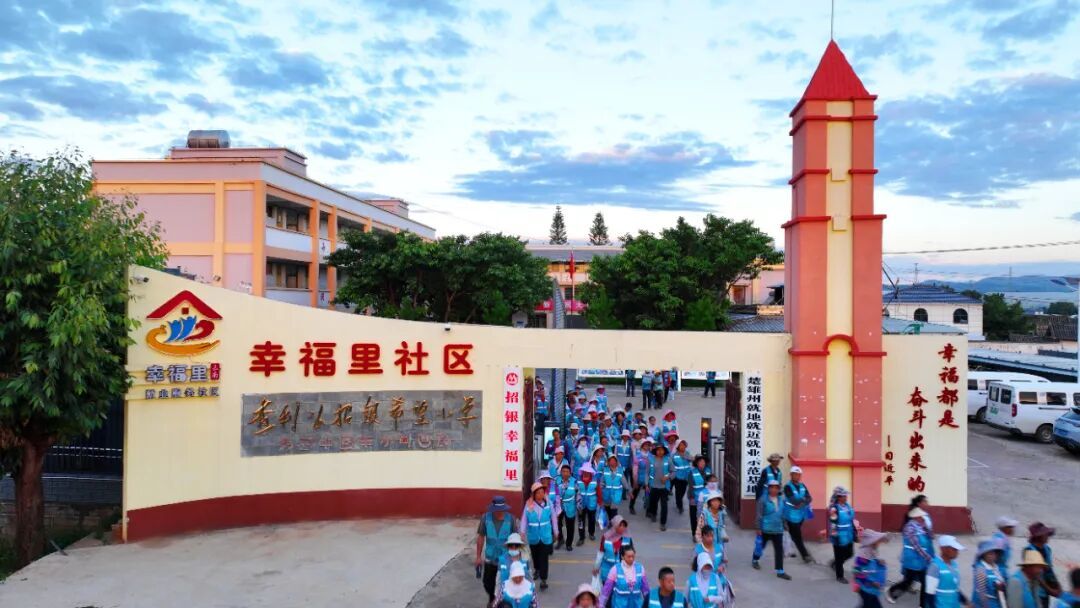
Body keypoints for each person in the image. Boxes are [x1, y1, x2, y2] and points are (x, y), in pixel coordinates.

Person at [887, 506, 936, 605]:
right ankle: (892, 591)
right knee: (908, 582)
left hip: (921, 560)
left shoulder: (921, 526)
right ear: (916, 517)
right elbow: (916, 546)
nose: (923, 518)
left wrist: (927, 529)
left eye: (923, 516)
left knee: (924, 582)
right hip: (912, 560)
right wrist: (929, 558)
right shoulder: (909, 528)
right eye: (921, 516)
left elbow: (931, 537)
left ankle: (922, 605)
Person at [477, 496, 520, 605]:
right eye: (496, 510)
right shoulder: (485, 518)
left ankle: (500, 602)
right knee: (487, 583)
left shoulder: (511, 519)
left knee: (505, 582)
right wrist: (478, 557)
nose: (499, 512)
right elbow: (481, 537)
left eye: (501, 509)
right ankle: (492, 597)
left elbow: (515, 539)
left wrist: (516, 556)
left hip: (505, 559)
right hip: (490, 557)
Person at [521, 481, 557, 590]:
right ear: (533, 494)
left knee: (544, 558)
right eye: (538, 492)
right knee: (535, 556)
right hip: (533, 536)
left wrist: (556, 531)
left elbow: (554, 517)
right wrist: (522, 532)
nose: (541, 494)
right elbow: (524, 519)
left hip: (545, 536)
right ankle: (537, 569)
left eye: (542, 492)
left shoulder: (548, 503)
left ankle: (543, 579)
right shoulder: (529, 505)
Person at [754, 479, 790, 579]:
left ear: (778, 489)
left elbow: (783, 514)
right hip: (765, 529)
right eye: (772, 487)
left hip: (778, 529)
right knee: (761, 546)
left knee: (779, 550)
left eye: (776, 488)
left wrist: (785, 525)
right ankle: (755, 560)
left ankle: (780, 571)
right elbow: (759, 514)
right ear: (768, 488)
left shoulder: (781, 500)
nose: (774, 490)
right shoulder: (763, 500)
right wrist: (758, 527)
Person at [1024, 522, 1061, 606]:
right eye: (1045, 534)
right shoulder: (1029, 551)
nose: (1048, 536)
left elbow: (1049, 569)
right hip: (1035, 591)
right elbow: (1034, 575)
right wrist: (1050, 590)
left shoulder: (1047, 549)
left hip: (1045, 591)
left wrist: (1057, 586)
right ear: (1038, 536)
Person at [782, 465, 814, 564]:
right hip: (790, 515)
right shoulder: (787, 487)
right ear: (791, 475)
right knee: (797, 536)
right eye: (795, 474)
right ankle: (805, 555)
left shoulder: (802, 486)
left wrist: (802, 502)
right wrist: (803, 500)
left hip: (800, 515)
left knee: (793, 534)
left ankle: (786, 549)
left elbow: (810, 498)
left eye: (798, 474)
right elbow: (793, 500)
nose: (797, 476)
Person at [925, 535, 967, 608]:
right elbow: (929, 593)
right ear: (943, 549)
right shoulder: (934, 567)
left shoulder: (954, 564)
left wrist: (965, 601)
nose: (957, 552)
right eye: (954, 549)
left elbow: (954, 587)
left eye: (957, 549)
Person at [593, 515, 633, 588]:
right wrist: (596, 567)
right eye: (620, 525)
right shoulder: (605, 537)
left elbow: (631, 556)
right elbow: (601, 553)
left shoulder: (628, 538)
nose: (622, 527)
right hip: (607, 572)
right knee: (607, 592)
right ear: (615, 525)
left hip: (621, 573)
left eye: (624, 525)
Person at [853, 529, 890, 608]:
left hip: (870, 589)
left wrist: (877, 561)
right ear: (871, 541)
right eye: (878, 541)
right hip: (865, 589)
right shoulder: (863, 555)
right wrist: (871, 583)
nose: (879, 543)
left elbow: (870, 563)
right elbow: (856, 572)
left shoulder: (871, 550)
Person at [828, 486, 856, 583]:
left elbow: (851, 520)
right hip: (839, 536)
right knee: (839, 556)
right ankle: (840, 576)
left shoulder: (847, 506)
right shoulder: (834, 509)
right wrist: (835, 537)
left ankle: (835, 563)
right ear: (838, 497)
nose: (846, 497)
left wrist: (855, 533)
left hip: (849, 534)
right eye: (844, 496)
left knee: (850, 553)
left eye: (846, 495)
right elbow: (833, 524)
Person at [972, 538, 1007, 608]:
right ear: (983, 555)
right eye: (990, 553)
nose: (993, 556)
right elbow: (981, 595)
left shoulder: (997, 568)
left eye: (994, 553)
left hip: (997, 603)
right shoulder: (981, 570)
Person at [647, 443, 673, 531]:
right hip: (653, 485)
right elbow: (647, 472)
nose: (660, 451)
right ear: (655, 451)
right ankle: (654, 514)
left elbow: (673, 471)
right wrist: (646, 484)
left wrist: (667, 477)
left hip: (664, 487)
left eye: (662, 450)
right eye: (658, 450)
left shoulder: (668, 460)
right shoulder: (650, 460)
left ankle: (663, 523)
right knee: (653, 502)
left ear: (664, 451)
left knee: (664, 505)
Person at [557, 464, 578, 551]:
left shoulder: (574, 481)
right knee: (557, 524)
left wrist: (579, 506)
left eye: (567, 472)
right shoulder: (556, 481)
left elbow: (578, 494)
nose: (565, 473)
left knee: (570, 526)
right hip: (559, 505)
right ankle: (560, 539)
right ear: (561, 472)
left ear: (570, 473)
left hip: (570, 505)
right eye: (563, 471)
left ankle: (569, 544)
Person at [629, 437, 653, 515]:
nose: (647, 446)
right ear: (642, 446)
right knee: (635, 493)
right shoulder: (637, 457)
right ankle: (631, 506)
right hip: (639, 478)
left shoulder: (651, 456)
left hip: (648, 480)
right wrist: (635, 481)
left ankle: (648, 510)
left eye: (648, 445)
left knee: (648, 494)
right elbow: (634, 471)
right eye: (645, 445)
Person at [577, 463, 600, 544]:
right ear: (582, 471)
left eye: (588, 471)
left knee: (592, 520)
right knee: (580, 521)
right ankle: (581, 537)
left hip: (592, 504)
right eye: (584, 471)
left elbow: (599, 492)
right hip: (581, 505)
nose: (586, 472)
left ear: (591, 472)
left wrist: (600, 502)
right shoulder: (578, 480)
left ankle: (591, 533)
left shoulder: (595, 481)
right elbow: (575, 492)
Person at [688, 456, 709, 541]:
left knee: (705, 517)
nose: (702, 463)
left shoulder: (708, 471)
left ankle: (704, 534)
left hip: (706, 498)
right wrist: (691, 496)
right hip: (694, 497)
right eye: (700, 462)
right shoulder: (692, 472)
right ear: (696, 463)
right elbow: (690, 486)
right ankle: (694, 534)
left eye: (703, 462)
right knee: (694, 517)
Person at [600, 454, 626, 521]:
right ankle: (611, 520)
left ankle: (613, 522)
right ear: (608, 462)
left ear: (616, 462)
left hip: (616, 493)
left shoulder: (620, 471)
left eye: (614, 461)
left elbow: (624, 481)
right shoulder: (605, 470)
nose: (612, 462)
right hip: (607, 493)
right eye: (610, 461)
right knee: (607, 507)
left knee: (614, 509)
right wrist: (600, 490)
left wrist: (628, 490)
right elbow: (602, 481)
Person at [671, 440, 692, 515]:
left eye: (684, 445)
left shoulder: (687, 453)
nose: (682, 447)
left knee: (683, 491)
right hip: (677, 476)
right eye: (681, 445)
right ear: (677, 446)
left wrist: (688, 458)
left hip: (686, 476)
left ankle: (678, 501)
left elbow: (692, 459)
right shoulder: (674, 455)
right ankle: (680, 506)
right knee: (678, 491)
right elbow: (671, 465)